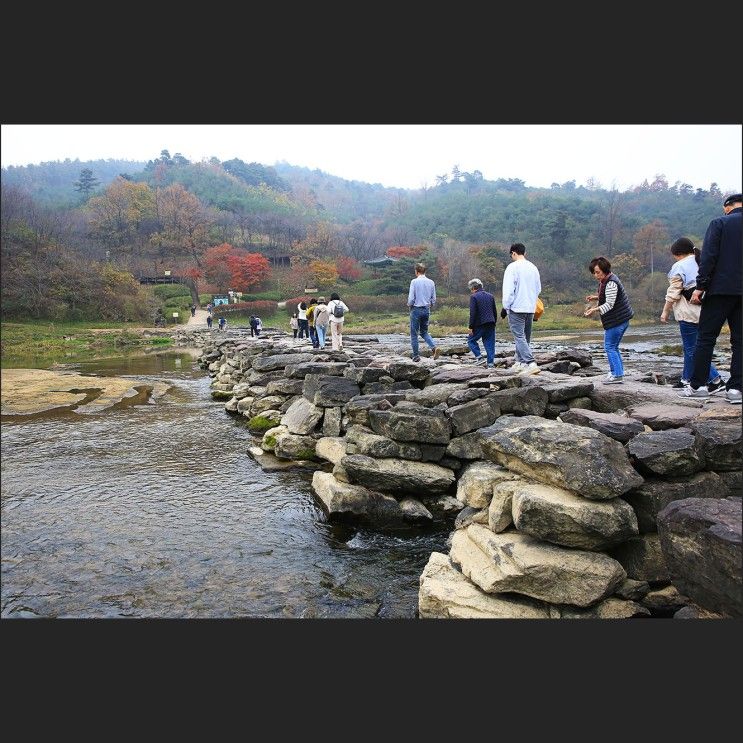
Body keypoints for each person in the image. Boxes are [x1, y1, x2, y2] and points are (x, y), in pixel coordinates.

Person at [678, 193, 742, 404]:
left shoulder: (720, 223)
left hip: (720, 289)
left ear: (727, 207)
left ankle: (698, 386)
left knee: (705, 338)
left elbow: (709, 257)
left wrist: (700, 286)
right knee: (740, 342)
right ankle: (735, 391)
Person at [660, 237, 724, 391]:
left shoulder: (679, 266)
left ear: (677, 254)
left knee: (693, 350)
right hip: (706, 312)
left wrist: (665, 311)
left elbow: (673, 293)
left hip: (687, 313)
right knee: (693, 347)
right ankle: (686, 379)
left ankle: (715, 380)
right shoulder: (702, 262)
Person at [584, 256, 634, 384]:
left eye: (597, 272)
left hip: (617, 320)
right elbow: (607, 296)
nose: (596, 275)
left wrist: (593, 310)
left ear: (605, 270)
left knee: (610, 347)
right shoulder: (607, 280)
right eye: (594, 273)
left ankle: (617, 375)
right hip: (619, 319)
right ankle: (616, 372)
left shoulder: (611, 282)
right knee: (613, 347)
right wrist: (595, 297)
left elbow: (610, 304)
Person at [501, 243, 541, 374]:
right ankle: (520, 362)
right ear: (525, 252)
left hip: (516, 307)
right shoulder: (533, 267)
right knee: (525, 336)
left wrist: (505, 307)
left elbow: (508, 290)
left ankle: (530, 363)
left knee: (519, 336)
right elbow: (538, 289)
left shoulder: (512, 267)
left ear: (513, 253)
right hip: (530, 307)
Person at [407, 262, 440, 362]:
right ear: (424, 271)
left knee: (414, 334)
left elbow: (411, 298)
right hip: (426, 309)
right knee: (424, 332)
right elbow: (433, 299)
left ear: (416, 272)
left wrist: (409, 304)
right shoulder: (431, 282)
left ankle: (416, 356)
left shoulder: (414, 282)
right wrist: (430, 304)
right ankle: (434, 348)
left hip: (416, 309)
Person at [466, 278, 498, 368]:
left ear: (473, 288)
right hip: (491, 323)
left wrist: (470, 327)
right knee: (490, 343)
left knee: (471, 341)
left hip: (479, 324)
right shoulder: (490, 296)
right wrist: (494, 322)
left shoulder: (474, 297)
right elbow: (494, 311)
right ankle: (490, 364)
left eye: (471, 289)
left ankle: (479, 358)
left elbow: (473, 313)